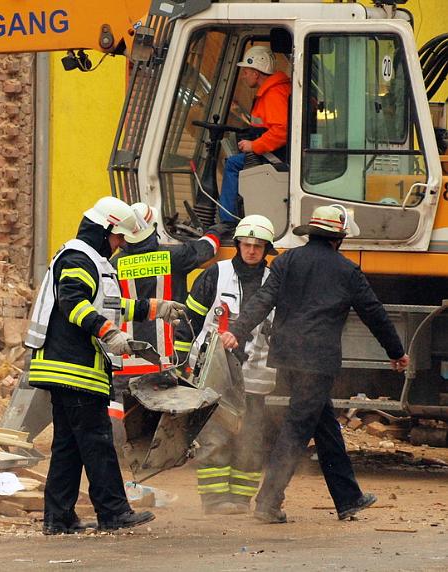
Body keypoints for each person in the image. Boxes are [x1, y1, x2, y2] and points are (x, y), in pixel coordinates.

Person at [220, 205, 410, 523]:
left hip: (287, 357)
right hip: (317, 362)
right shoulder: (347, 271)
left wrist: (237, 331)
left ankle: (348, 498)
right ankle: (268, 502)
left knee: (325, 427)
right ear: (338, 239)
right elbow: (374, 313)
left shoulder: (287, 261)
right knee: (296, 429)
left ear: (311, 233)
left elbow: (262, 299)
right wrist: (396, 352)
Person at [24, 196, 185, 534]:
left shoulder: (90, 259)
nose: (120, 245)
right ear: (105, 229)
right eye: (118, 238)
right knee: (97, 441)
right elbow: (73, 302)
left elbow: (110, 303)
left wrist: (156, 308)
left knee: (68, 446)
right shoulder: (78, 257)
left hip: (66, 366)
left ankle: (59, 517)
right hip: (74, 367)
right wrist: (109, 333)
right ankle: (113, 512)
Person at [173, 215, 277, 515]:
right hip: (212, 372)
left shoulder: (274, 281)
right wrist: (180, 367)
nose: (252, 251)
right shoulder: (215, 274)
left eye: (259, 246)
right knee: (214, 438)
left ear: (266, 249)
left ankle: (242, 500)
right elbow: (188, 323)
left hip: (256, 374)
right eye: (247, 244)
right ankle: (215, 500)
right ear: (238, 244)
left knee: (251, 439)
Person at [110, 202, 222, 377]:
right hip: (168, 362)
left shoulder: (113, 265)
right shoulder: (174, 257)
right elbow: (207, 249)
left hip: (127, 364)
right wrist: (215, 231)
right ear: (154, 227)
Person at [219, 45, 292, 226]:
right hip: (278, 153)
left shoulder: (273, 94)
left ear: (256, 73)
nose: (243, 76)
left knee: (232, 165)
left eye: (246, 71)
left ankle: (227, 221)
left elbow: (282, 130)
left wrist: (254, 146)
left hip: (276, 157)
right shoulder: (276, 90)